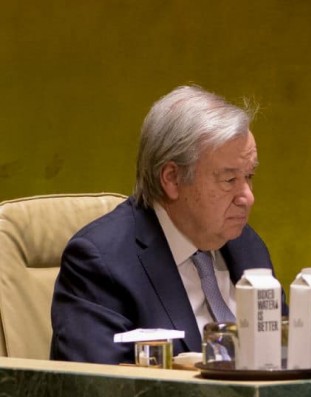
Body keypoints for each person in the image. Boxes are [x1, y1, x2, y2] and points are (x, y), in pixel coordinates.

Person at [51, 85, 276, 364]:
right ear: (172, 178)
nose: (248, 197)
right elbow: (99, 393)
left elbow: (281, 357)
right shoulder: (100, 264)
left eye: (250, 176)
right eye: (229, 180)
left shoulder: (247, 246)